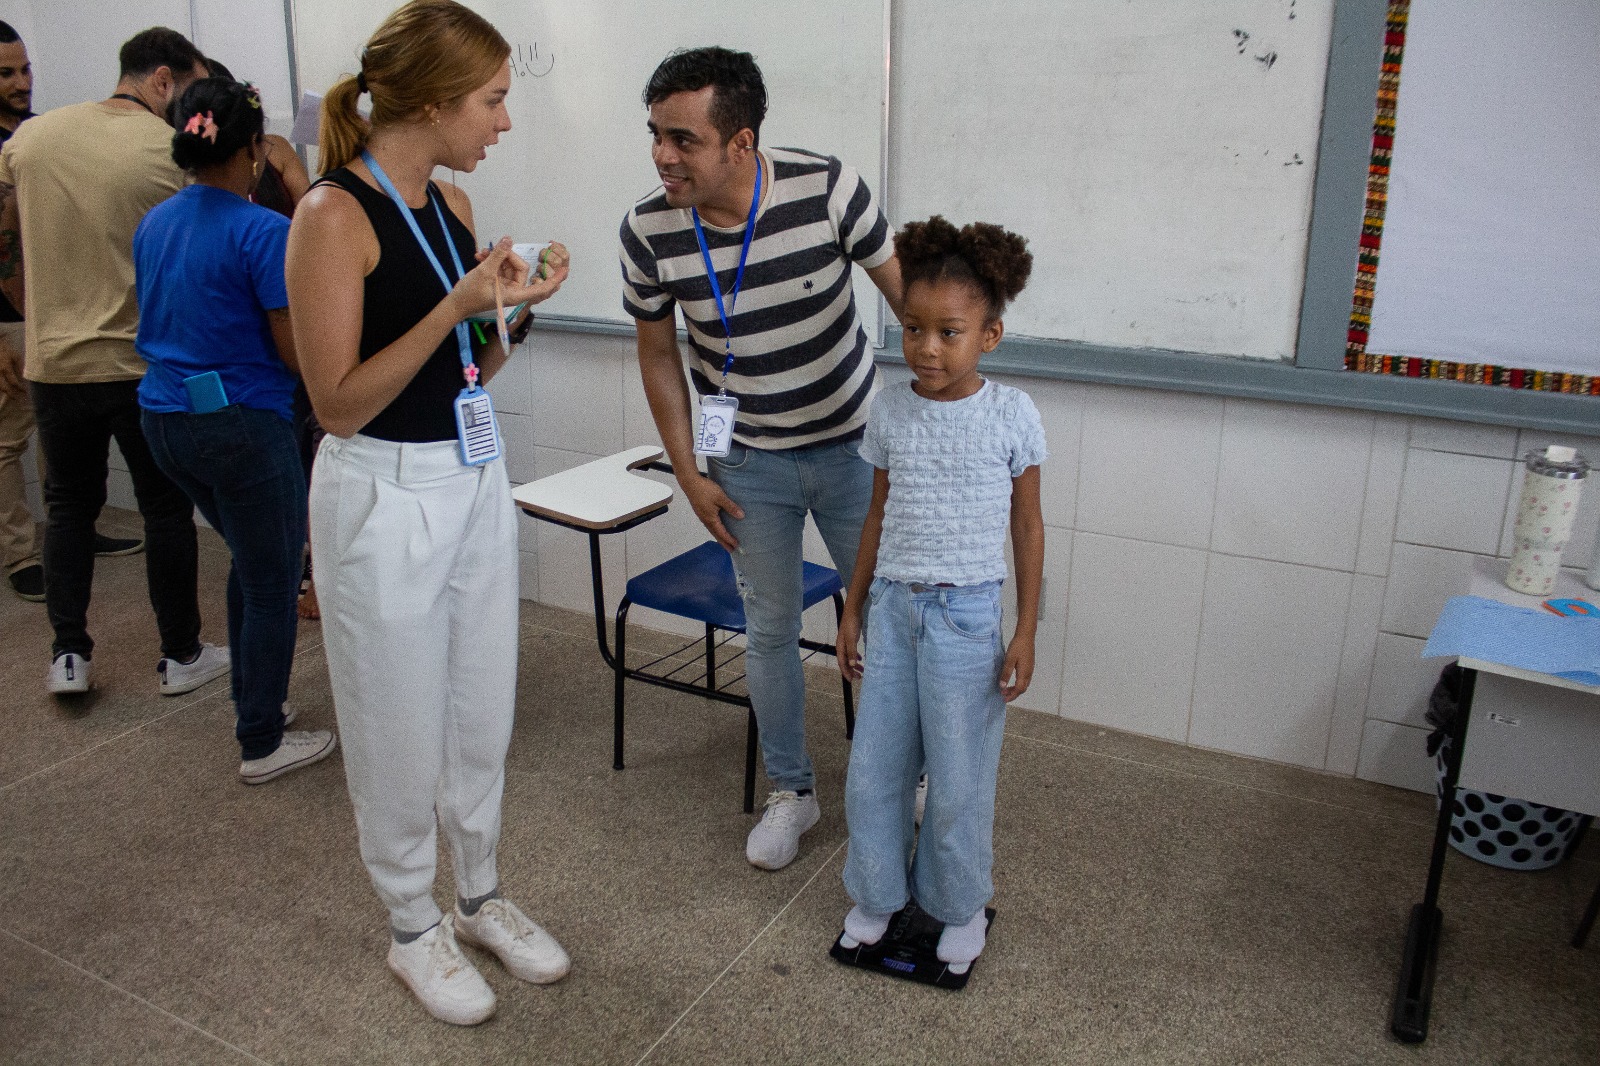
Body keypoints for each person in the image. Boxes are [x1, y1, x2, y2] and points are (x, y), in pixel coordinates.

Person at [285, 0, 571, 1027]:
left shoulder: (447, 207)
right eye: (492, 100)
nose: (502, 121)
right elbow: (339, 402)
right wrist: (455, 306)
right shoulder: (332, 214)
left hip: (466, 474)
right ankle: (413, 925)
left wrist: (512, 309)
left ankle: (482, 893)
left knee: (479, 707)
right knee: (396, 723)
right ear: (436, 100)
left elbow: (464, 374)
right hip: (380, 492)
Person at [620, 46, 904, 872]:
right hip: (746, 466)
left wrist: (932, 437)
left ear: (741, 143)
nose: (663, 156)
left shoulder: (827, 190)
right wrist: (689, 471)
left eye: (683, 138)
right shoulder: (647, 229)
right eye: (655, 135)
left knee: (884, 625)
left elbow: (911, 303)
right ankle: (794, 792)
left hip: (855, 452)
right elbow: (658, 358)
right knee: (771, 630)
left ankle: (899, 777)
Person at [834, 216, 1044, 975]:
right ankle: (879, 893)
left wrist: (1022, 630)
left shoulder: (1011, 415)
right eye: (913, 328)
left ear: (988, 335)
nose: (926, 347)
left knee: (957, 778)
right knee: (876, 766)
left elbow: (1028, 524)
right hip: (893, 609)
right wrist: (853, 609)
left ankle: (957, 906)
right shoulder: (889, 410)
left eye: (948, 332)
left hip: (966, 618)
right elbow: (877, 516)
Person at [0, 26, 226, 695]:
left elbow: (5, 238)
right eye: (189, 90)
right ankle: (181, 656)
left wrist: (28, 306)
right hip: (140, 365)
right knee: (164, 511)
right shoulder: (167, 148)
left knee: (68, 510)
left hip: (54, 365)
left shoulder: (30, 140)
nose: (193, 109)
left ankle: (69, 655)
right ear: (162, 80)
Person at [134, 77, 336, 785]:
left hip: (164, 419)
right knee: (275, 576)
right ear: (254, 147)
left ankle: (254, 699)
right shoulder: (262, 230)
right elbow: (292, 351)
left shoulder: (156, 221)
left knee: (251, 565)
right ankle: (261, 739)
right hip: (241, 425)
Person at [0, 21, 142, 603]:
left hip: (62, 311)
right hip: (11, 318)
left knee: (69, 441)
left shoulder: (43, 135)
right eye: (6, 73)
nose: (21, 82)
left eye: (25, 69)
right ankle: (20, 555)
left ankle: (74, 530)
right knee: (9, 441)